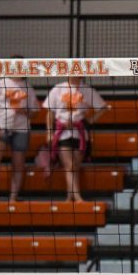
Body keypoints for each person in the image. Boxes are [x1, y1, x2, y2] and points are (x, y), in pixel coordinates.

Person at [44, 75, 109, 203]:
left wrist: (90, 120)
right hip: (62, 133)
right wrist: (49, 132)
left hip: (79, 133)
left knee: (75, 167)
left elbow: (103, 107)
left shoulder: (87, 90)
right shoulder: (58, 89)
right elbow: (50, 113)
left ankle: (70, 196)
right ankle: (78, 197)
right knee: (70, 165)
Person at [0, 69, 40, 202]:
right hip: (2, 127)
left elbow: (35, 112)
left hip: (21, 129)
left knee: (18, 163)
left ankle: (13, 197)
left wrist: (24, 111)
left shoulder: (28, 88)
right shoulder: (0, 84)